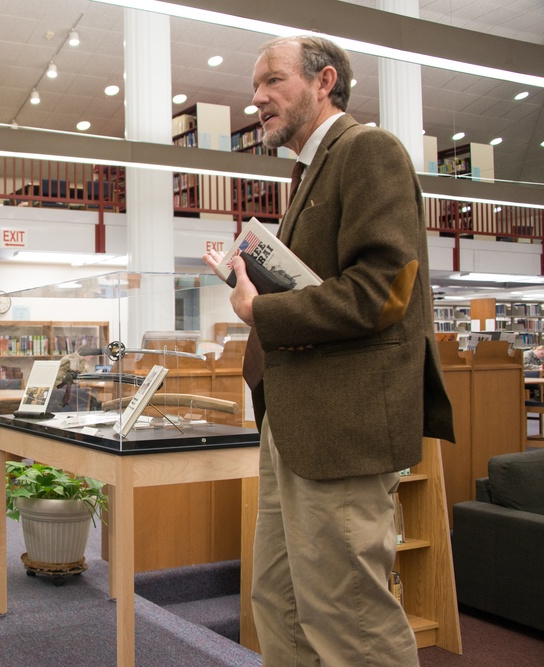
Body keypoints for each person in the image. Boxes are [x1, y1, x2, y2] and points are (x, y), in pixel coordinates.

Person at [203, 36, 454, 666]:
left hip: (341, 429)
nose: (256, 98)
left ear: (324, 81)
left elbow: (383, 290)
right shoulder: (310, 171)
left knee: (349, 616)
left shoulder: (368, 151)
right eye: (255, 86)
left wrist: (263, 309)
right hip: (294, 419)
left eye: (272, 81)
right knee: (281, 602)